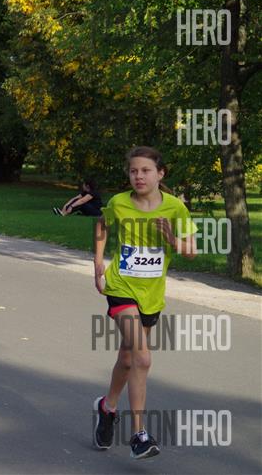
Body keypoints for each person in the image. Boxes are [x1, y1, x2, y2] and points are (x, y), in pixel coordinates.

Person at [93, 146, 197, 459]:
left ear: (160, 174)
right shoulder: (119, 202)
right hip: (121, 287)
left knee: (128, 359)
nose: (138, 176)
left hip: (151, 295)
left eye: (145, 170)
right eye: (133, 171)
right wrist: (98, 264)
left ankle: (107, 407)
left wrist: (172, 239)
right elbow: (102, 225)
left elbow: (191, 251)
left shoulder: (175, 208)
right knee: (143, 358)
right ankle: (139, 434)